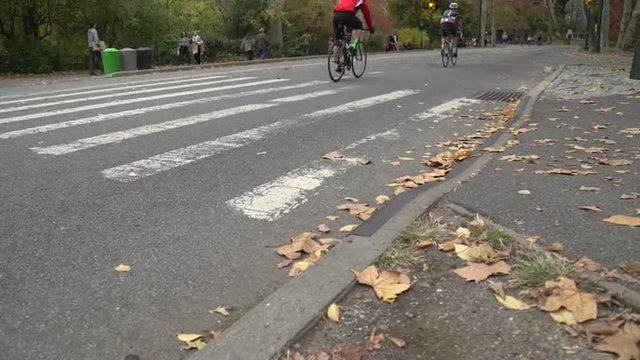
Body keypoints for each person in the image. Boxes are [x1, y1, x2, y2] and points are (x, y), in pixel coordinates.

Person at [332, 0, 375, 71]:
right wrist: (370, 28)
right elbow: (367, 15)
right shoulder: (361, 1)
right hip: (348, 16)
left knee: (339, 41)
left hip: (336, 16)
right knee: (359, 26)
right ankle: (354, 45)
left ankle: (337, 62)